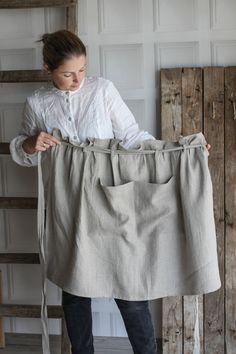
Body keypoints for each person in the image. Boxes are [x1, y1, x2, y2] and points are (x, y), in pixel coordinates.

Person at [10, 30, 211, 354]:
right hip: (70, 206)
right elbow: (22, 152)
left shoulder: (102, 90)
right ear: (47, 68)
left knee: (130, 287)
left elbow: (133, 136)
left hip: (112, 200)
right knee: (75, 292)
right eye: (67, 74)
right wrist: (32, 144)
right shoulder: (38, 103)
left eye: (82, 70)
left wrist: (182, 151)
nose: (77, 80)